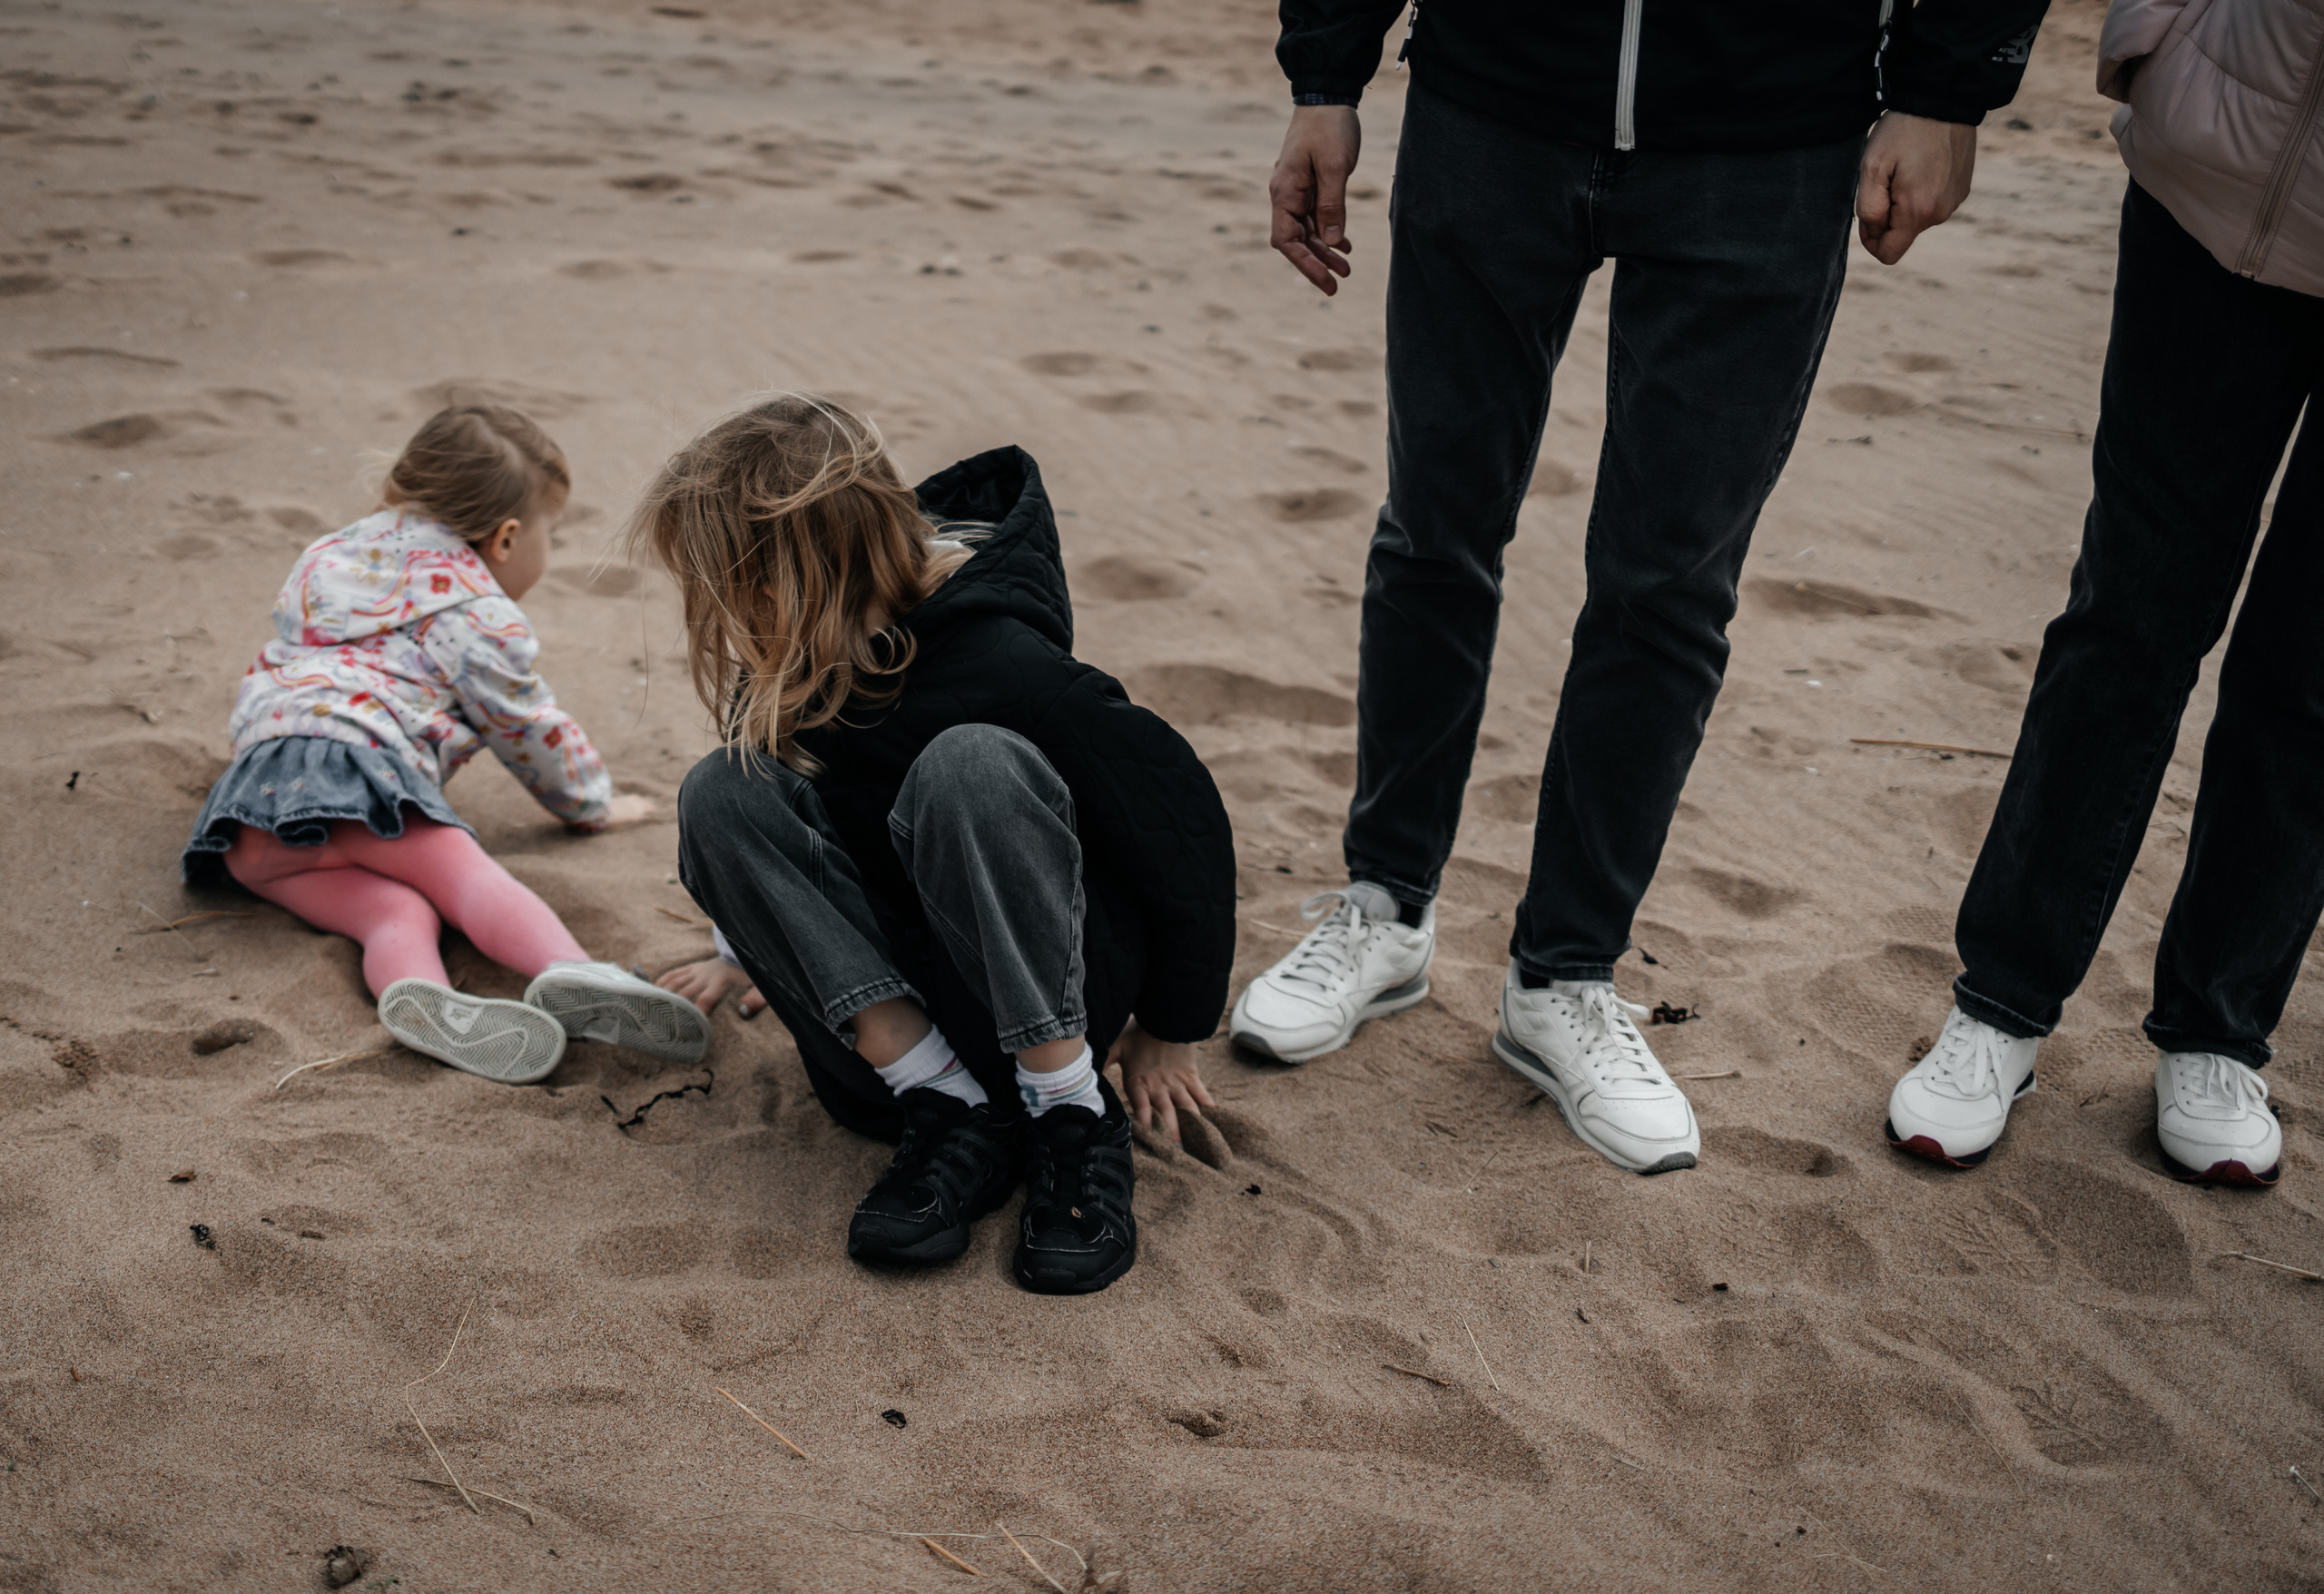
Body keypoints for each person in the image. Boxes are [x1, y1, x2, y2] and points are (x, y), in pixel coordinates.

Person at [1230, 0, 2050, 1175]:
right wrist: (1326, 71)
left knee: (1667, 586)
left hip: (1768, 126)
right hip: (1493, 92)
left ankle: (1562, 975)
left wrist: (1947, 87)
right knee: (1434, 533)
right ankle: (1383, 908)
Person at [632, 395, 1235, 1294]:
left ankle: (1069, 1116)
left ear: (786, 582)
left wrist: (1171, 1029)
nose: (733, 615)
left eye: (736, 590)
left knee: (972, 767)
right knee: (723, 787)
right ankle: (952, 1112)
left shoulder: (1012, 664)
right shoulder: (799, 659)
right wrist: (749, 947)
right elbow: (781, 843)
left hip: (1050, 1009)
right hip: (892, 1059)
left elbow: (1181, 836)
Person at [1886, 0, 2321, 1189]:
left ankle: (2219, 1032)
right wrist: (2157, 30)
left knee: (2313, 671)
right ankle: (2004, 1004)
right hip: (2220, 166)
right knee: (2129, 620)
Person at [182, 405, 711, 1083]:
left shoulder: (326, 558)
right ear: (508, 538)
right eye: (554, 530)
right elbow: (526, 725)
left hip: (255, 821)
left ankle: (423, 998)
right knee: (466, 880)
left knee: (394, 912)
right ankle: (572, 968)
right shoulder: (476, 611)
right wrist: (589, 804)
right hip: (353, 769)